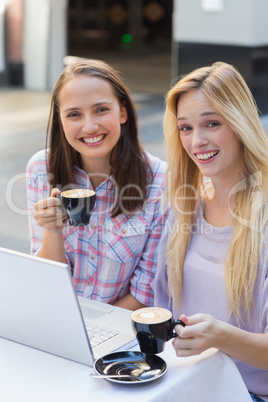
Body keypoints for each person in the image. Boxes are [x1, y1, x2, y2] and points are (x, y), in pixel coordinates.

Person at [154, 61, 268, 401]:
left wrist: (221, 336)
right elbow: (163, 312)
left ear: (240, 123)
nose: (197, 141)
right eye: (185, 128)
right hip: (185, 383)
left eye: (212, 123)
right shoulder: (183, 209)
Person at [26, 59, 168, 311]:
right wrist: (53, 230)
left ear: (122, 112)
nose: (89, 126)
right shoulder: (41, 168)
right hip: (56, 315)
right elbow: (46, 281)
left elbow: (147, 291)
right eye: (74, 114)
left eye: (101, 109)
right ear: (60, 120)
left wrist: (92, 329)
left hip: (120, 329)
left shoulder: (159, 180)